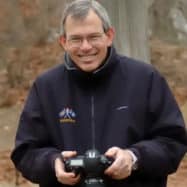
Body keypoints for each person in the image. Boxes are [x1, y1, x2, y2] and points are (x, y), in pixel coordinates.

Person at [11, 0, 187, 187]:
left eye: (93, 37)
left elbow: (173, 142)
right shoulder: (46, 87)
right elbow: (25, 152)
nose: (85, 47)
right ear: (63, 42)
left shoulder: (145, 79)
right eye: (76, 39)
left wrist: (134, 158)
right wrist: (52, 163)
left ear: (109, 35)